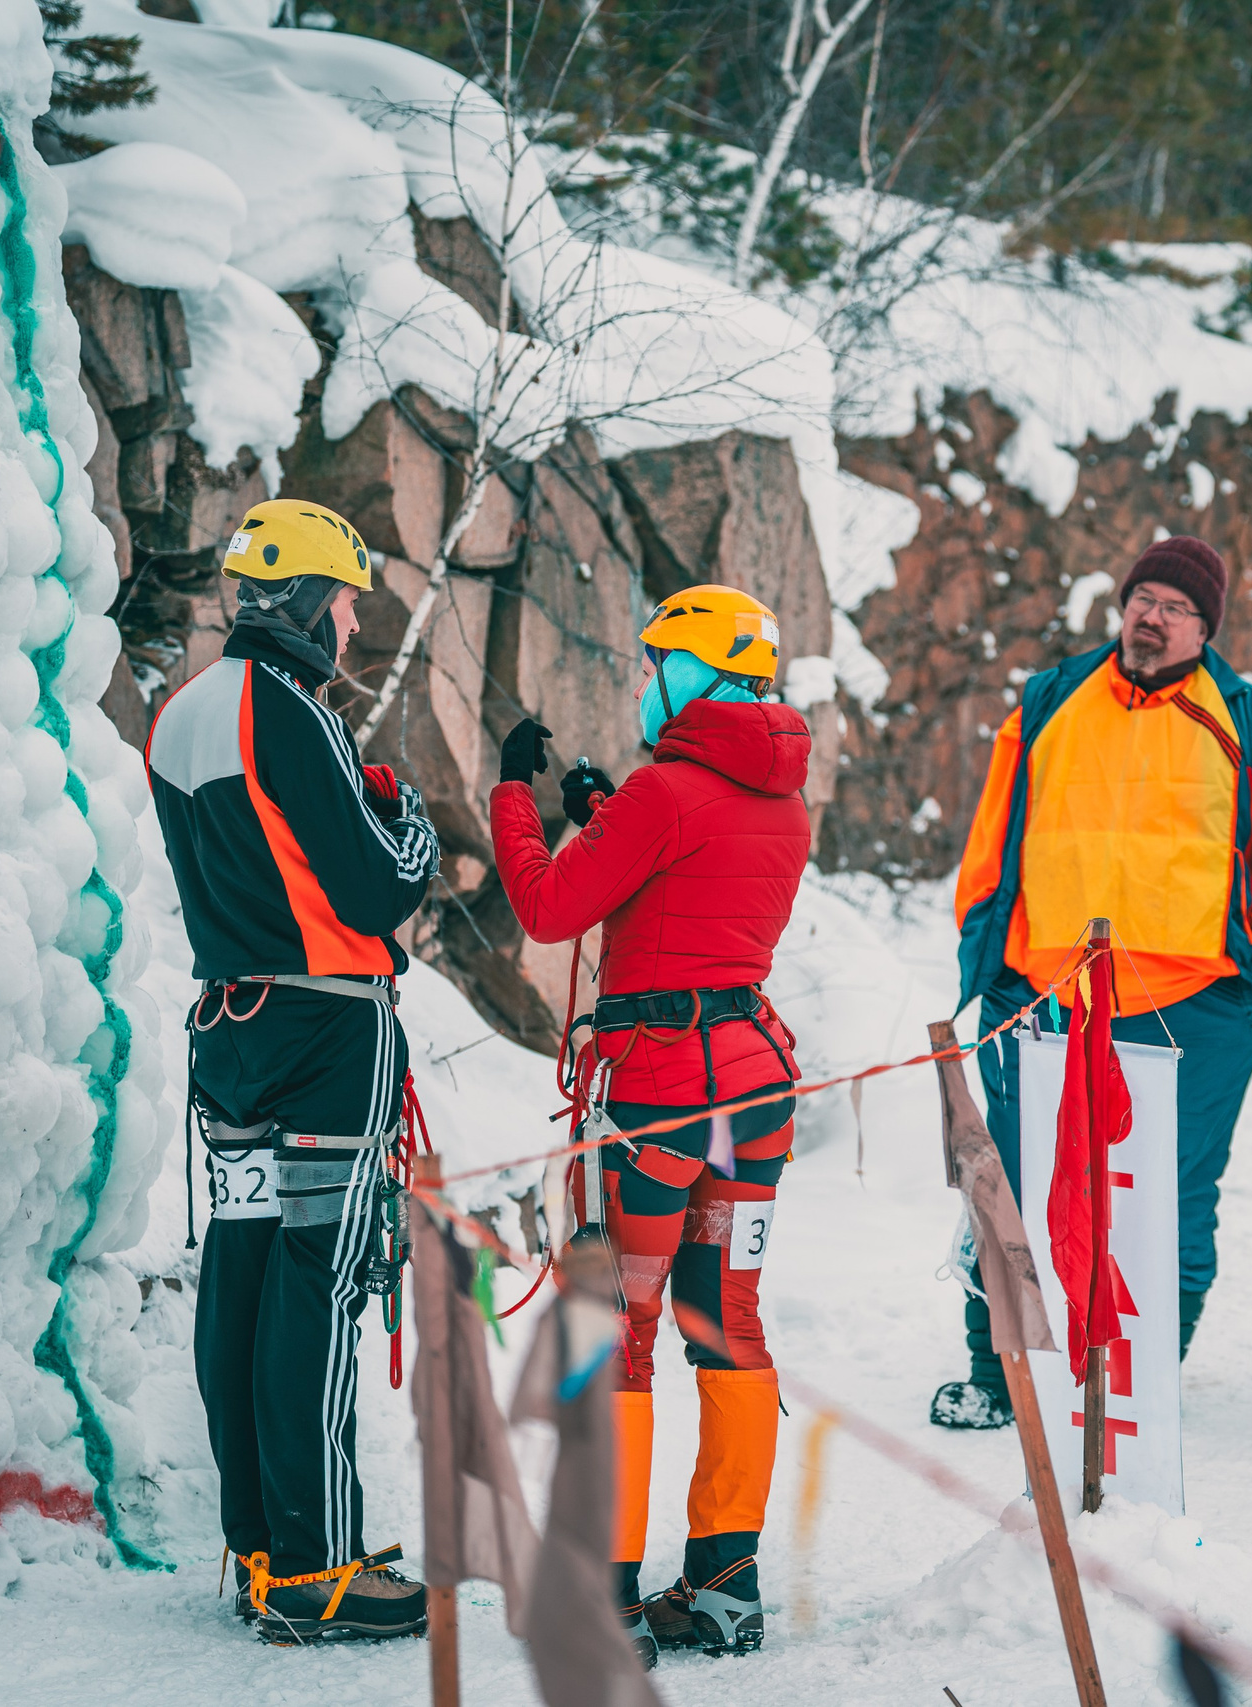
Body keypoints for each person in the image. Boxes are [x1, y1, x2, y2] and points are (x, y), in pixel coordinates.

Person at [491, 584, 812, 1665]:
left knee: (623, 1331)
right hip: (751, 1094)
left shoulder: (666, 791)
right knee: (726, 1320)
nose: (640, 680)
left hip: (661, 1098)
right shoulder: (782, 795)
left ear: (694, 672)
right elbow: (681, 881)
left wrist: (513, 801)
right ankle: (726, 1587)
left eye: (650, 663)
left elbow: (549, 907)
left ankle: (611, 1595)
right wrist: (604, 806)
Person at [931, 537, 1252, 1428]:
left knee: (1167, 1195)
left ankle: (1145, 1377)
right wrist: (984, 956)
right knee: (1013, 1185)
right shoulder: (1049, 700)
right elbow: (993, 839)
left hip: (1192, 1006)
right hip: (1043, 993)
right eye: (1143, 596)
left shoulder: (1250, 718)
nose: (1152, 614)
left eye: (1175, 606)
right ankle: (1002, 1374)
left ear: (1204, 625)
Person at [145, 500, 441, 1643]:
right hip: (327, 1032)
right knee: (318, 1285)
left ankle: (265, 1546)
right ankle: (318, 1568)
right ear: (312, 601)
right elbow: (381, 887)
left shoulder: (182, 715)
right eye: (351, 601)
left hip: (230, 1030)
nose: (356, 627)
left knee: (247, 1270)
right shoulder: (293, 711)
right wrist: (399, 806)